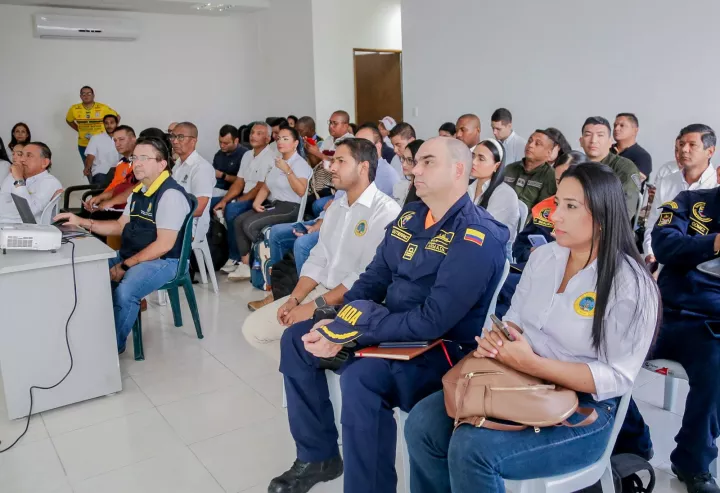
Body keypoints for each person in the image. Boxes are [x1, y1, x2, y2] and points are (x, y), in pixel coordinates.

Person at [269, 137, 509, 493]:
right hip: (389, 329)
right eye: (415, 162)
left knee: (362, 376)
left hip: (440, 351)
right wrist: (339, 323)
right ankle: (318, 456)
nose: (414, 170)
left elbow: (433, 321)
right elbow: (373, 279)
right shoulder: (411, 216)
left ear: (459, 170)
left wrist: (356, 330)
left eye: (428, 162)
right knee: (296, 338)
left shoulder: (476, 234)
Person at [405, 162, 659, 493]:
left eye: (570, 207)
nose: (554, 216)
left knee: (472, 449)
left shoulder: (630, 284)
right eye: (557, 203)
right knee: (422, 424)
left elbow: (617, 378)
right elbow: (516, 319)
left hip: (587, 408)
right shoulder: (545, 258)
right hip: (520, 378)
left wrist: (533, 363)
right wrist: (500, 340)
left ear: (602, 217)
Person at [242, 138, 402, 359]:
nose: (332, 167)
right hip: (323, 292)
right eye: (333, 161)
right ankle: (308, 365)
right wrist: (294, 300)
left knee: (296, 342)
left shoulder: (385, 211)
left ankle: (313, 364)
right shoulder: (337, 207)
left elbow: (364, 277)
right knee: (253, 330)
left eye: (340, 161)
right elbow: (318, 258)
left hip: (354, 303)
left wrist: (311, 308)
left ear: (363, 167)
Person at [619, 168, 720, 493]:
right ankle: (633, 440)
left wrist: (691, 249)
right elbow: (664, 245)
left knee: (717, 373)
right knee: (604, 351)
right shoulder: (690, 202)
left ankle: (693, 462)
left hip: (711, 325)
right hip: (663, 312)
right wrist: (713, 243)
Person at [54, 137, 191, 354]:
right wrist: (81, 222)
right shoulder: (139, 191)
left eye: (144, 158)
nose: (136, 163)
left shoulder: (170, 195)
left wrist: (125, 265)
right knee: (88, 271)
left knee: (125, 292)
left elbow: (163, 245)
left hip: (164, 260)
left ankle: (110, 350)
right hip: (133, 254)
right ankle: (93, 332)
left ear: (162, 164)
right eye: (134, 158)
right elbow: (119, 226)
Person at [228, 125, 312, 281]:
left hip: (291, 207)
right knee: (239, 221)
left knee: (249, 225)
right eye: (279, 138)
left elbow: (301, 191)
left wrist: (288, 171)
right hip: (276, 204)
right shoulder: (277, 162)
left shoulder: (300, 164)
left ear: (295, 143)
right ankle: (246, 266)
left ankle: (262, 260)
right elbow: (266, 185)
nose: (280, 142)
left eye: (285, 139)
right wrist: (256, 202)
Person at [643, 124, 717, 266]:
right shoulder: (666, 182)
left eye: (692, 145)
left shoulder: (716, 185)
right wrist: (651, 255)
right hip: (665, 260)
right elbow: (653, 224)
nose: (684, 149)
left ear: (710, 151)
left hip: (705, 266)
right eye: (682, 144)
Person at [216, 122, 276, 273]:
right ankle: (216, 253)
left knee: (232, 209)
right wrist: (224, 200)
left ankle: (235, 256)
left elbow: (260, 187)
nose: (253, 136)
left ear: (267, 139)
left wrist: (237, 201)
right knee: (214, 203)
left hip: (260, 200)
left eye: (259, 133)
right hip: (245, 195)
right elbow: (239, 182)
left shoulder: (270, 157)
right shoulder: (247, 155)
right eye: (252, 132)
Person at [579, 116, 641, 219]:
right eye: (588, 135)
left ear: (610, 142)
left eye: (600, 135)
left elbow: (626, 210)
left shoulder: (624, 167)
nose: (593, 140)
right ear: (581, 141)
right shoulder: (575, 165)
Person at [469, 139, 520, 250]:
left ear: (496, 166)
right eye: (473, 156)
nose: (473, 162)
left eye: (481, 159)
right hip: (468, 242)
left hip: (494, 249)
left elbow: (486, 231)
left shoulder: (505, 194)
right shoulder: (468, 187)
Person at [170, 122, 214, 241]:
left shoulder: (201, 168)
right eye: (173, 136)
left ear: (193, 141)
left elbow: (198, 209)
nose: (175, 141)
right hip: (173, 222)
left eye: (180, 137)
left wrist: (166, 212)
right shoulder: (177, 165)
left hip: (190, 228)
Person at [304, 111, 354, 214]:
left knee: (310, 203)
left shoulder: (350, 142)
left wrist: (317, 153)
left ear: (345, 125)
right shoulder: (328, 140)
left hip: (335, 186)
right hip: (321, 182)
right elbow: (317, 164)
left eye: (335, 123)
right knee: (303, 199)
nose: (331, 126)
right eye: (330, 122)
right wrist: (310, 151)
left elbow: (339, 165)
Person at [0, 142, 62, 224]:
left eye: (29, 155)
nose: (22, 159)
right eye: (21, 155)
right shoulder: (12, 176)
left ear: (44, 163)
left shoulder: (50, 182)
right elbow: (2, 204)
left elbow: (27, 212)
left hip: (27, 229)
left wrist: (19, 180)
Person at [84, 126, 138, 219]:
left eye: (121, 139)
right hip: (112, 206)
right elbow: (116, 187)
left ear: (133, 139)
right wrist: (99, 199)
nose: (117, 144)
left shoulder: (140, 162)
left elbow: (134, 189)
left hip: (127, 210)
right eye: (115, 140)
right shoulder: (121, 163)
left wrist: (110, 202)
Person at [502, 129, 557, 209]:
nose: (530, 145)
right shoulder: (510, 168)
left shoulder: (550, 176)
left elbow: (543, 209)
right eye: (529, 141)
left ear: (548, 153)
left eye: (537, 144)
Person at [65, 86, 119, 165]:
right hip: (84, 143)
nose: (86, 96)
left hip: (101, 143)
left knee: (104, 165)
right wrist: (78, 129)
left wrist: (111, 130)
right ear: (80, 96)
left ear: (93, 95)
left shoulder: (102, 108)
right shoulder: (74, 109)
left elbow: (117, 117)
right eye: (83, 94)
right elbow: (69, 120)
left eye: (89, 94)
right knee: (88, 167)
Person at [355, 124, 401, 196]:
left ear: (378, 146)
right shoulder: (355, 168)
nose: (357, 150)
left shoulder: (387, 176)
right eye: (354, 146)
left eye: (363, 145)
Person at [211, 124, 248, 208]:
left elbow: (244, 181)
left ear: (236, 141)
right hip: (215, 187)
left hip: (231, 192)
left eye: (226, 143)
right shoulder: (219, 154)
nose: (222, 146)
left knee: (206, 202)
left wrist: (223, 175)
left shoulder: (245, 155)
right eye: (220, 142)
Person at [612, 113, 653, 181]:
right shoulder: (605, 150)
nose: (616, 129)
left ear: (635, 130)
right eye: (615, 125)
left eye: (622, 125)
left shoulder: (642, 156)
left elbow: (633, 182)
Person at [84, 114, 121, 185]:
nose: (109, 126)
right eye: (106, 123)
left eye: (112, 123)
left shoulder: (121, 138)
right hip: (101, 172)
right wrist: (87, 168)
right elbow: (90, 156)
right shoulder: (96, 138)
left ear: (117, 124)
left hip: (119, 172)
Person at [393, 139, 424, 206]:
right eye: (403, 158)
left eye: (409, 160)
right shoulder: (404, 186)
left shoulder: (423, 192)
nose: (404, 164)